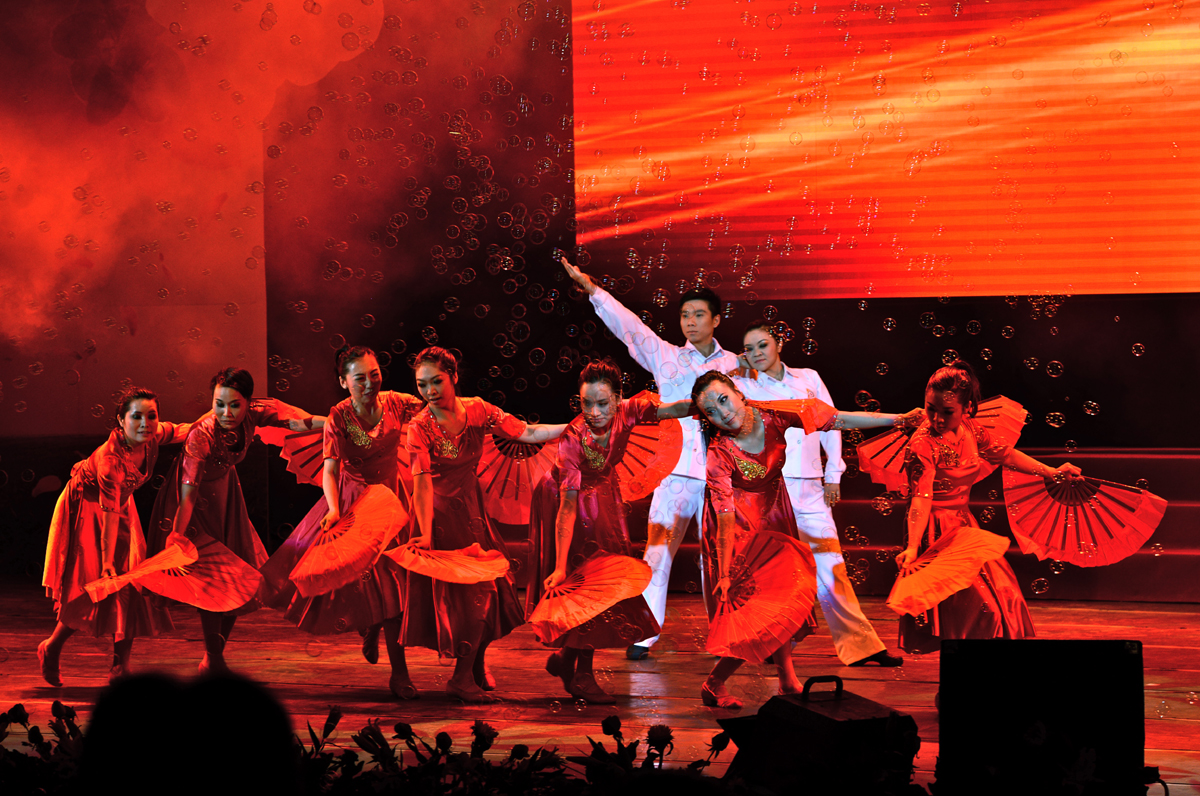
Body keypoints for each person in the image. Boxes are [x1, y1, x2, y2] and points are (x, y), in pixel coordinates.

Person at [691, 371, 918, 708]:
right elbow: (723, 515)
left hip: (774, 511)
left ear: (739, 393)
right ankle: (714, 683)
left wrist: (899, 419)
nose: (723, 413)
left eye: (724, 400)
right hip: (736, 527)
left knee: (784, 596)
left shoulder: (774, 414)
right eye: (711, 411)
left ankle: (786, 679)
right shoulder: (719, 452)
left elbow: (836, 419)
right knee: (756, 609)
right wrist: (723, 573)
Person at [563, 256, 741, 660]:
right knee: (657, 552)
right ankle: (646, 632)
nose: (690, 322)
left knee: (719, 558)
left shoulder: (735, 365)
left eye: (699, 315)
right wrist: (593, 289)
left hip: (721, 474)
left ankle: (727, 631)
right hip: (675, 472)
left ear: (716, 319)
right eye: (684, 315)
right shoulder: (666, 356)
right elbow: (630, 327)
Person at [403, 346, 567, 703]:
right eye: (422, 384)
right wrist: (425, 531)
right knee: (472, 597)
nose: (430, 391)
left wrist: (572, 428)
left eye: (436, 381)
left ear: (454, 376)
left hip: (473, 511)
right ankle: (461, 678)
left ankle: (474, 665)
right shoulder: (419, 427)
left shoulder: (478, 410)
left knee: (495, 592)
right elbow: (422, 483)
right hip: (440, 516)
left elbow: (526, 432)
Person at [734, 321, 902, 667]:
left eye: (762, 344)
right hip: (771, 489)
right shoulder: (743, 385)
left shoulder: (808, 378)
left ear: (779, 343)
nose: (757, 353)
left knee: (831, 565)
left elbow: (831, 422)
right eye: (749, 349)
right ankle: (776, 644)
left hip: (810, 487)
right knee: (777, 571)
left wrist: (833, 473)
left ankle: (862, 646)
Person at [261, 346, 425, 699]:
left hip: (393, 501)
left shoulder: (398, 403)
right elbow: (331, 469)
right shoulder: (339, 416)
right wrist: (334, 509)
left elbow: (435, 410)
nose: (369, 383)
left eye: (374, 374)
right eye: (360, 377)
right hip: (355, 503)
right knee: (366, 583)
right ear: (343, 382)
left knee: (394, 588)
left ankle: (398, 670)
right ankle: (373, 629)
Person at [526, 358, 693, 703]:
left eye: (602, 403)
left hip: (603, 491)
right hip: (564, 499)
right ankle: (583, 675)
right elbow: (567, 506)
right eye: (586, 403)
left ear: (618, 399)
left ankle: (567, 660)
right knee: (585, 578)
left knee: (604, 579)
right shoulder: (573, 439)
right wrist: (559, 566)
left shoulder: (629, 412)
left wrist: (708, 403)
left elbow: (673, 410)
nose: (594, 412)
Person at [147, 368, 323, 674]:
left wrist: (340, 420)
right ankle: (213, 658)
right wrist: (176, 536)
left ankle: (213, 656)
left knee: (241, 576)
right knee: (212, 580)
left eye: (234, 405)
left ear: (248, 403)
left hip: (226, 494)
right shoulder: (201, 435)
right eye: (219, 404)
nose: (226, 413)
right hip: (191, 503)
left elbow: (297, 422)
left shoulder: (256, 413)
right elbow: (188, 495)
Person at [894, 361, 1079, 652]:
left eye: (947, 412)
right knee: (978, 610)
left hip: (964, 525)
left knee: (1005, 596)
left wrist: (1051, 472)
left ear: (967, 409)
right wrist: (914, 547)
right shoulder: (922, 445)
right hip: (934, 530)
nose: (937, 419)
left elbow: (1005, 455)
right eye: (930, 409)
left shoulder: (971, 429)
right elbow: (921, 497)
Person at [38, 387, 196, 685]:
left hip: (120, 504)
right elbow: (108, 514)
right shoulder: (110, 461)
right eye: (136, 417)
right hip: (86, 507)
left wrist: (217, 418)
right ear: (121, 421)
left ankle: (120, 666)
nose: (145, 423)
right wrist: (108, 562)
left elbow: (184, 429)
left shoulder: (153, 436)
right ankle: (52, 646)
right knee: (93, 586)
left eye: (151, 416)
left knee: (132, 582)